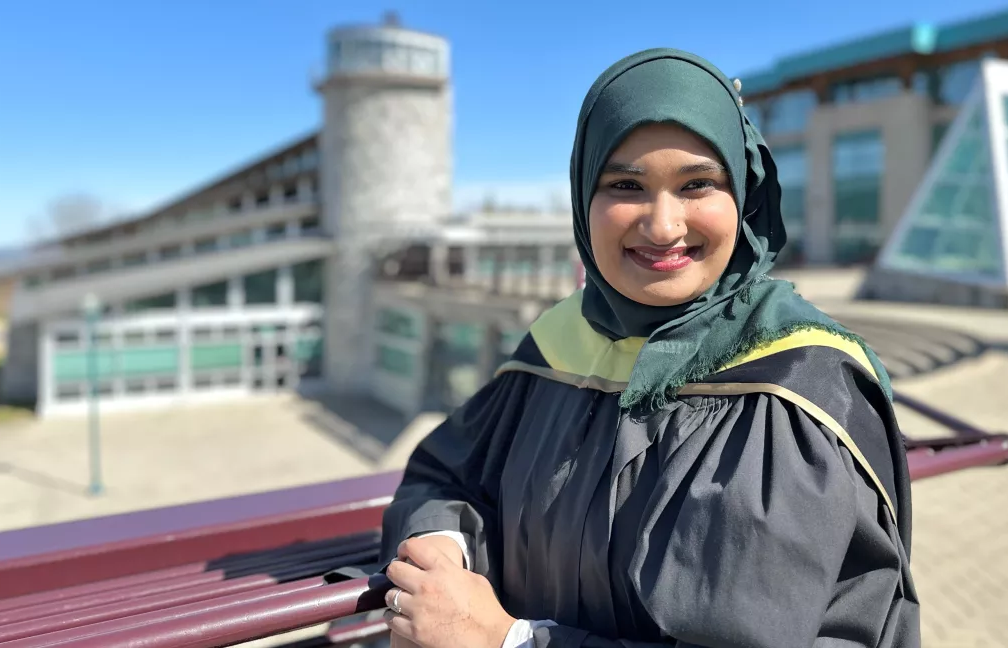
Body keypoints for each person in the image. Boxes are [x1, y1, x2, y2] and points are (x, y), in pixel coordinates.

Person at [374, 48, 919, 648]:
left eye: (698, 184)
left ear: (744, 197)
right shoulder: (554, 347)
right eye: (626, 184)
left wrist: (507, 640)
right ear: (585, 199)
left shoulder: (798, 386)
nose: (663, 226)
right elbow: (444, 475)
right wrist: (440, 551)